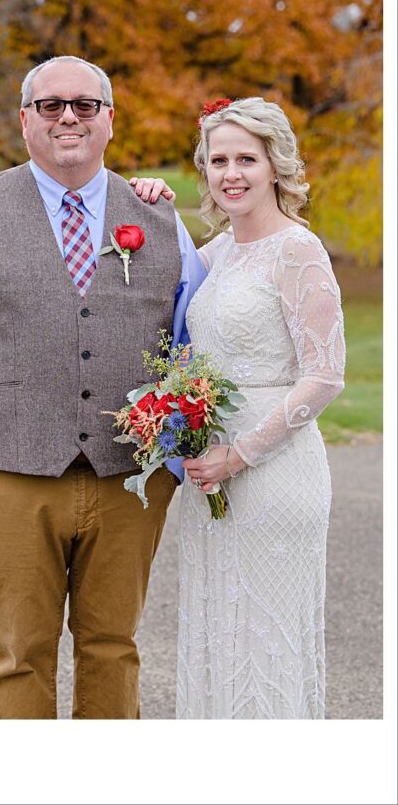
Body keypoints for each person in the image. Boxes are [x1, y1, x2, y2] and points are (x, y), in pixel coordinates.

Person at [0, 55, 206, 719]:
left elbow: (198, 347)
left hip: (130, 482)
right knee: (19, 654)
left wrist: (172, 462)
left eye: (85, 105)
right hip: (10, 479)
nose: (68, 116)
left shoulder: (156, 218)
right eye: (50, 105)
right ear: (25, 119)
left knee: (113, 650)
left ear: (110, 120)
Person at [176, 98, 345, 718]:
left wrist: (239, 455)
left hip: (274, 472)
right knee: (219, 627)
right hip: (210, 475)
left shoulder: (297, 250)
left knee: (267, 638)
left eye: (246, 158)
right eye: (218, 160)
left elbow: (325, 375)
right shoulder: (215, 253)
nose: (232, 173)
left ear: (275, 164)